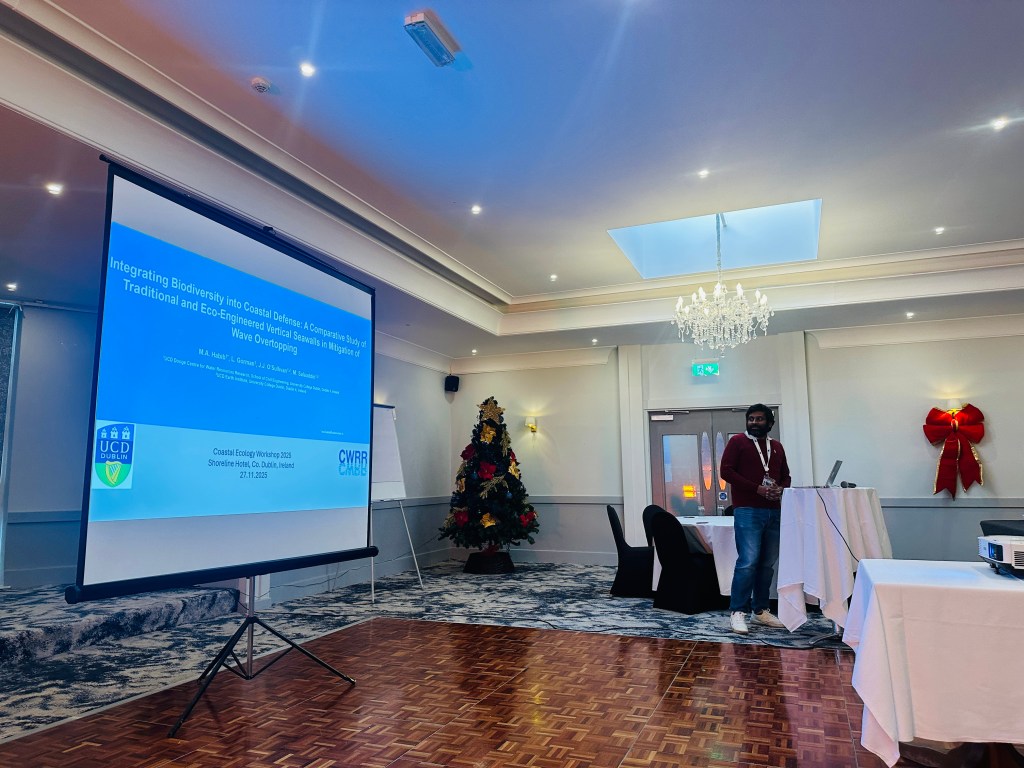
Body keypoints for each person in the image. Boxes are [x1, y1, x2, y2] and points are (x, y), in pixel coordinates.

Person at [719, 403, 791, 634]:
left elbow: (786, 476)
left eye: (759, 419)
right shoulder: (737, 442)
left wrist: (781, 489)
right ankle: (737, 611)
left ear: (770, 423)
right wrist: (757, 489)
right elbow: (726, 471)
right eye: (751, 419)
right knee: (748, 562)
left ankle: (760, 611)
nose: (754, 422)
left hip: (774, 511)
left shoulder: (776, 446)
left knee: (767, 564)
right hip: (747, 509)